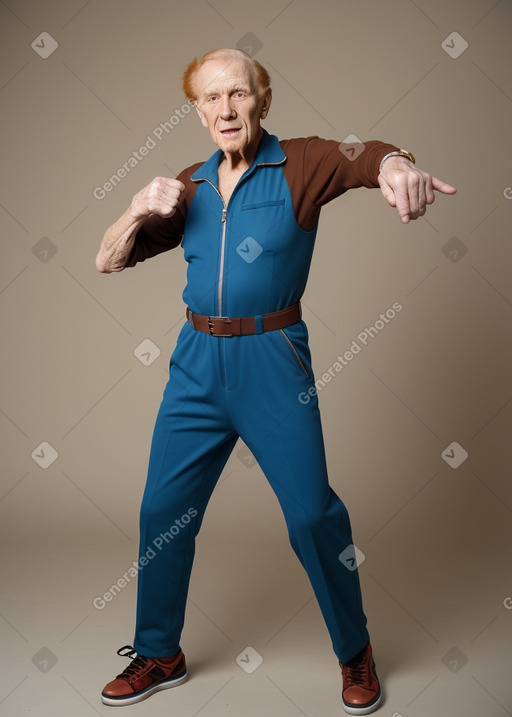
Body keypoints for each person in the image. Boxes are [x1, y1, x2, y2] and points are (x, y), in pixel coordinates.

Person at [96, 48, 456, 714]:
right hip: (195, 363)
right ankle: (159, 651)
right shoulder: (189, 186)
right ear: (198, 110)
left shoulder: (303, 161)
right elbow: (108, 259)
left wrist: (399, 164)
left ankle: (355, 651)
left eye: (238, 93)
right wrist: (136, 206)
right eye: (211, 98)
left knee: (312, 514)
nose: (226, 109)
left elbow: (369, 154)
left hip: (272, 358)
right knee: (160, 512)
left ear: (263, 99)